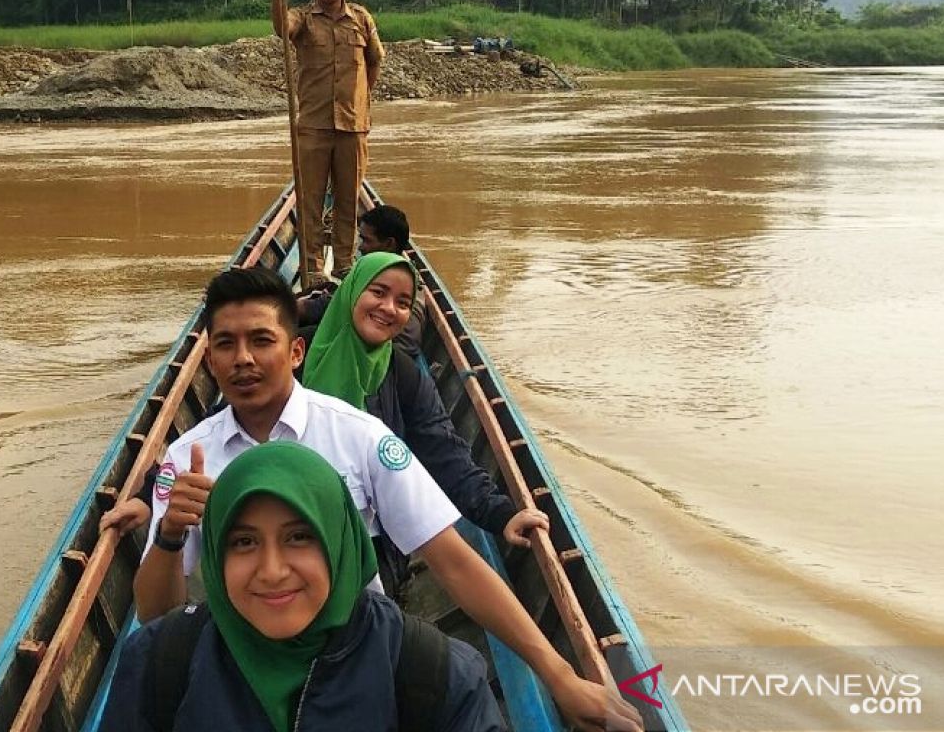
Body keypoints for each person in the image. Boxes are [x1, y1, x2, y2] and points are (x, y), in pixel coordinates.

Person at [102, 267, 643, 732]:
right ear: (210, 360)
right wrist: (171, 533)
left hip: (356, 653)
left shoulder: (360, 437)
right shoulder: (187, 456)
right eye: (225, 344)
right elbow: (157, 616)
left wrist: (559, 674)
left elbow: (452, 561)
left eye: (260, 341)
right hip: (238, 652)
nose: (243, 359)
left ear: (295, 350)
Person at [98, 442, 505, 731]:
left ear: (338, 542)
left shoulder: (434, 673)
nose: (272, 571)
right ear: (217, 553)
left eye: (299, 538)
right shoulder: (160, 661)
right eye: (244, 542)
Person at [300, 251, 547, 591]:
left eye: (403, 302)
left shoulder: (402, 374)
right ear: (353, 291)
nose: (389, 308)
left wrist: (501, 513)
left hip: (370, 539)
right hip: (288, 522)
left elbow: (444, 450)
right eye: (378, 292)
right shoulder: (293, 354)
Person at [272, 0, 383, 284]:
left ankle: (345, 265)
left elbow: (374, 61)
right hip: (314, 127)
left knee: (348, 200)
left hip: (353, 127)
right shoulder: (302, 18)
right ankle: (312, 267)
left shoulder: (361, 19)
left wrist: (361, 100)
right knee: (310, 202)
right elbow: (282, 28)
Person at [298, 203, 425, 356]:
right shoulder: (405, 275)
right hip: (391, 350)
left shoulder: (383, 280)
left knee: (302, 334)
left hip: (382, 354)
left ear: (389, 244)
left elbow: (327, 306)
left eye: (367, 240)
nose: (361, 248)